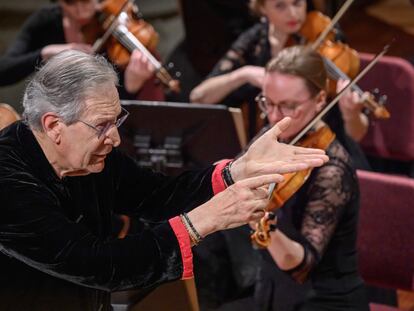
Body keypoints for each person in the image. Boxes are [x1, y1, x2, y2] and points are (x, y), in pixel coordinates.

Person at [0, 49, 329, 311]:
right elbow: (95, 263)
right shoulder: (7, 179)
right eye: (102, 125)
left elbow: (157, 194)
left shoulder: (93, 154)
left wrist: (236, 171)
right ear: (54, 125)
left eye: (117, 121)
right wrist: (201, 221)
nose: (114, 138)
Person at [190, 0, 368, 142]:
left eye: (297, 3)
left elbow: (356, 135)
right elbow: (198, 97)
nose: (293, 14)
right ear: (263, 8)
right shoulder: (254, 41)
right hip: (270, 144)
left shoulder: (327, 36)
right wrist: (243, 74)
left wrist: (351, 115)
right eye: (280, 5)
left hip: (322, 144)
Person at [0, 0, 161, 100]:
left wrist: (131, 87)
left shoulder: (114, 25)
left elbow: (116, 106)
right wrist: (45, 52)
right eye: (70, 2)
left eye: (86, 1)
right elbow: (4, 71)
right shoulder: (45, 21)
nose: (80, 10)